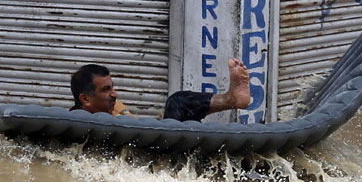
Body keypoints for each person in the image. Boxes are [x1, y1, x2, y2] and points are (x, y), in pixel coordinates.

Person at [70, 59, 250, 122]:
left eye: (113, 88)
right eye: (106, 90)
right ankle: (229, 99)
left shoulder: (114, 108)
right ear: (85, 99)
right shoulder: (77, 122)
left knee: (178, 102)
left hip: (154, 146)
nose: (115, 94)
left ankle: (230, 99)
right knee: (176, 102)